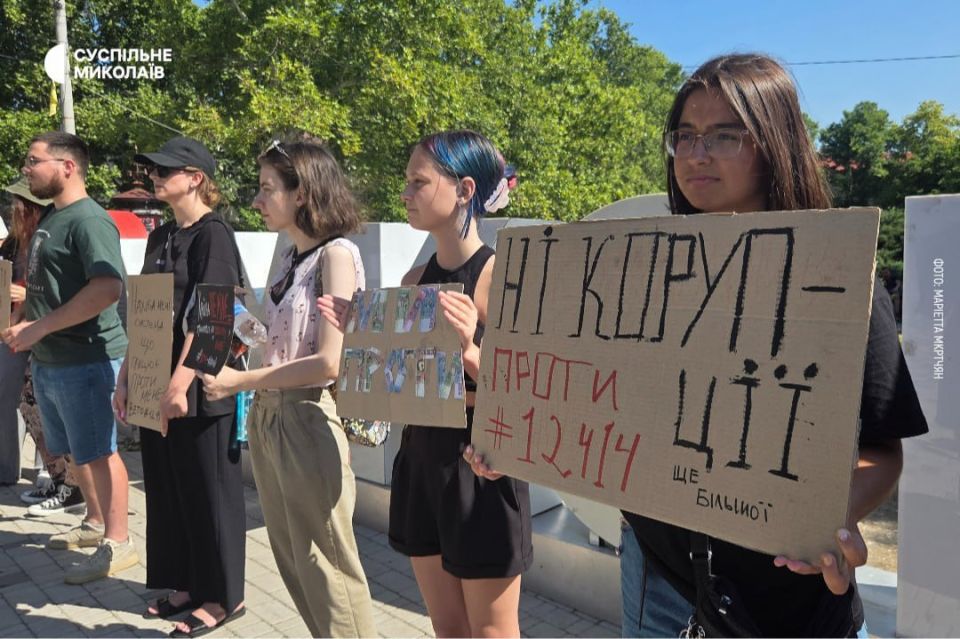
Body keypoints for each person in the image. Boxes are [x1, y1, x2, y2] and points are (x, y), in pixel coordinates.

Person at [467, 54, 928, 637]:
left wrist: (828, 519)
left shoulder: (837, 278)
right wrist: (511, 438)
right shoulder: (629, 274)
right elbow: (596, 397)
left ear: (775, 143)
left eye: (723, 136)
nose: (695, 154)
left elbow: (883, 450)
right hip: (655, 584)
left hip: (785, 604)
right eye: (684, 136)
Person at [199, 138, 376, 638]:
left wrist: (242, 380)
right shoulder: (291, 258)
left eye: (267, 188)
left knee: (329, 565)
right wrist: (242, 318)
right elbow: (280, 342)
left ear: (302, 193)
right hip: (269, 418)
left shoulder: (336, 255)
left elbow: (327, 362)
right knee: (294, 559)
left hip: (306, 419)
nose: (257, 200)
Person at [362, 130, 532, 638]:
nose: (405, 194)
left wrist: (471, 350)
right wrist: (364, 344)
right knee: (448, 629)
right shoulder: (414, 281)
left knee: (492, 632)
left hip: (482, 466)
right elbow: (391, 387)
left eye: (418, 181)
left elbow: (533, 396)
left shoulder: (502, 277)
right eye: (407, 181)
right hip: (421, 459)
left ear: (463, 189)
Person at [111, 137, 247, 636]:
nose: (154, 177)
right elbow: (145, 315)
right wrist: (128, 378)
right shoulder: (159, 237)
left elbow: (215, 316)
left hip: (195, 387)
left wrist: (178, 386)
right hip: (152, 381)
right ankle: (189, 583)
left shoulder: (215, 236)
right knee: (171, 491)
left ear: (196, 178)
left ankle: (223, 596)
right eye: (152, 170)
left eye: (166, 170)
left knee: (209, 492)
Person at [2, 131, 137, 584]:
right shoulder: (51, 220)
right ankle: (95, 522)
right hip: (52, 359)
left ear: (67, 166)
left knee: (100, 452)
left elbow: (107, 288)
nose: (26, 168)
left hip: (88, 359)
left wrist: (38, 327)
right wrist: (25, 322)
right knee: (80, 453)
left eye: (33, 160)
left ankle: (118, 543)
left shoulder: (89, 220)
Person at [0, 179, 85, 516]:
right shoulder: (13, 243)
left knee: (45, 404)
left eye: (19, 204)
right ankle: (53, 477)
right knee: (27, 401)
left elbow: (61, 289)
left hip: (48, 336)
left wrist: (24, 297)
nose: (14, 210)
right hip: (20, 331)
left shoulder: (48, 239)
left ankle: (57, 479)